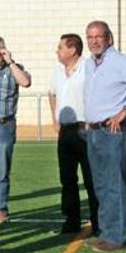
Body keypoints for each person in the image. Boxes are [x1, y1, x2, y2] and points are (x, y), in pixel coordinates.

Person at [83, 20, 126, 252]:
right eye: (90, 37)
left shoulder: (120, 62)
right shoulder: (90, 64)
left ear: (109, 38)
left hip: (111, 131)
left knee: (115, 184)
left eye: (98, 36)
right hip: (93, 131)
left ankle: (116, 238)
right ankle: (106, 232)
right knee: (100, 185)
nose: (94, 41)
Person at [48, 33, 97, 234]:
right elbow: (51, 93)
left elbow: (96, 94)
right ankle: (71, 220)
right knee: (67, 178)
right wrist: (55, 119)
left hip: (85, 130)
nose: (57, 51)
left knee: (90, 178)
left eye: (60, 48)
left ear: (72, 49)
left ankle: (98, 220)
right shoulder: (58, 71)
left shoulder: (88, 68)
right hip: (66, 131)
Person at [0, 35, 31, 224]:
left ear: (4, 52)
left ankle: (0, 207)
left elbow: (25, 82)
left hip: (4, 126)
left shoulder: (13, 69)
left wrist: (10, 61)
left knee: (2, 171)